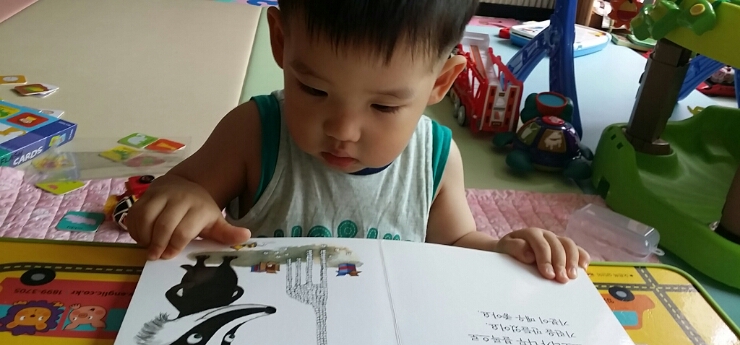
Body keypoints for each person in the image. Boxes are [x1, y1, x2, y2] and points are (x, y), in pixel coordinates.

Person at [126, 0, 590, 283]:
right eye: (314, 90)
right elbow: (175, 194)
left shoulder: (435, 158)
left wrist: (502, 252)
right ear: (282, 42)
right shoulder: (252, 133)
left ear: (440, 84)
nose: (343, 131)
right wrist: (180, 202)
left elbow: (455, 244)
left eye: (384, 106)